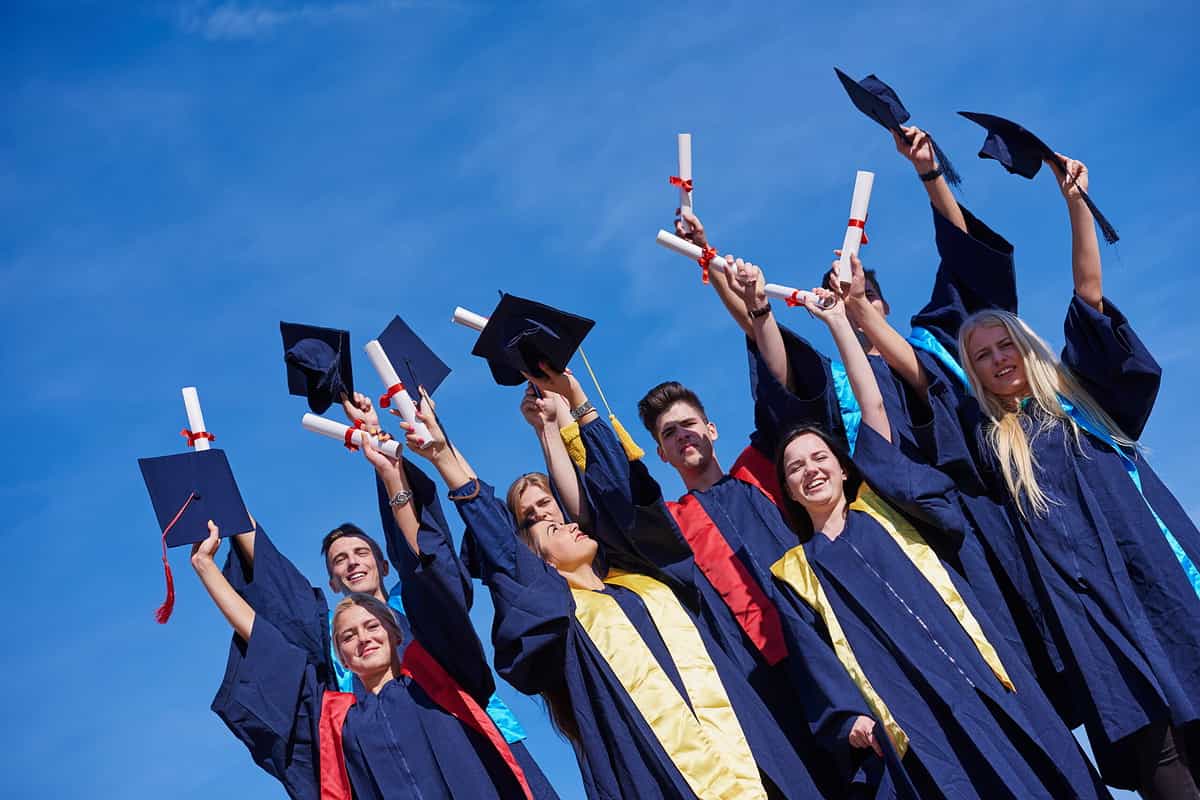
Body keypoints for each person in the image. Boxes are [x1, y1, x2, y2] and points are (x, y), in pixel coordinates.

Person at [402, 387, 843, 800]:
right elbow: (503, 553)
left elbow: (621, 502)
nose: (571, 525)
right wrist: (446, 459)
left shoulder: (645, 578)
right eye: (551, 528)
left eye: (559, 516)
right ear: (541, 565)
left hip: (757, 753)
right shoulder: (563, 622)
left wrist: (576, 401)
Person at [768, 279, 1110, 799]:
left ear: (843, 467)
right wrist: (850, 718)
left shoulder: (885, 505)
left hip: (983, 670)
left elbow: (876, 409)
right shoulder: (796, 571)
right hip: (914, 709)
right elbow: (815, 660)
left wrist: (841, 324)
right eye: (796, 468)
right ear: (788, 490)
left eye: (820, 458)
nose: (810, 471)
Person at [518, 368, 902, 796]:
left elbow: (787, 391)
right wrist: (559, 421)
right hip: (759, 690)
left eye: (689, 425)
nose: (683, 436)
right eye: (669, 434)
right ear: (660, 453)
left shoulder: (764, 472)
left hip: (837, 656)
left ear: (712, 429)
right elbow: (602, 512)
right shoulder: (672, 525)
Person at [950, 156, 1200, 798]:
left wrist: (1076, 204)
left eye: (1004, 344)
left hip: (1160, 581)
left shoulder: (1079, 397)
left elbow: (1088, 294)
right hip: (1096, 617)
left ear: (1025, 345)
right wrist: (856, 319)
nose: (998, 359)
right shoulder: (994, 446)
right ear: (973, 376)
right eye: (981, 357)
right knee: (1160, 758)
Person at [194, 433, 546, 799]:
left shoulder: (416, 601)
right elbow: (274, 588)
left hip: (464, 731)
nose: (352, 562)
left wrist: (392, 472)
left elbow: (426, 557)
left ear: (383, 563)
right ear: (332, 582)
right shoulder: (328, 632)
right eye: (339, 560)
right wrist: (223, 497)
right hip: (380, 754)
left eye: (360, 552)